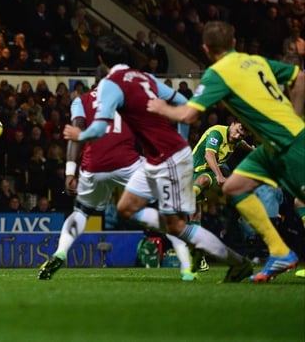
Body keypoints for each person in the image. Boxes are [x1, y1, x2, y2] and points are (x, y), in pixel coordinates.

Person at [63, 39, 253, 283]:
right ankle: (184, 231)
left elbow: (99, 129)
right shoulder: (144, 78)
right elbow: (185, 104)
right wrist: (175, 127)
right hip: (157, 156)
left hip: (168, 157)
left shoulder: (111, 84)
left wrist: (81, 135)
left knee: (176, 226)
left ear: (101, 60)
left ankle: (237, 263)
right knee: (125, 207)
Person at [148, 21, 304, 282]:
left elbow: (187, 115)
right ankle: (280, 252)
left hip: (290, 144)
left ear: (206, 48)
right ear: (234, 43)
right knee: (234, 186)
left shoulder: (217, 73)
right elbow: (299, 78)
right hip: (272, 145)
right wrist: (296, 116)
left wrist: (159, 108)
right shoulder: (254, 61)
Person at [39, 88, 195, 281]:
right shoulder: (128, 99)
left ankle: (60, 252)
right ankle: (187, 267)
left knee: (81, 212)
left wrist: (70, 171)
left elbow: (77, 129)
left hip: (93, 166)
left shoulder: (81, 101)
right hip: (126, 162)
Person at [188, 121, 252, 272]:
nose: (237, 135)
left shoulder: (236, 140)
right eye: (237, 130)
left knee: (203, 180)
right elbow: (209, 154)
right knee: (194, 218)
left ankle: (190, 193)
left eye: (241, 134)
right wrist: (219, 175)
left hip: (204, 174)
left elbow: (241, 143)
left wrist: (251, 149)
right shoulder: (217, 133)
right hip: (190, 171)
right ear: (233, 123)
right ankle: (200, 258)